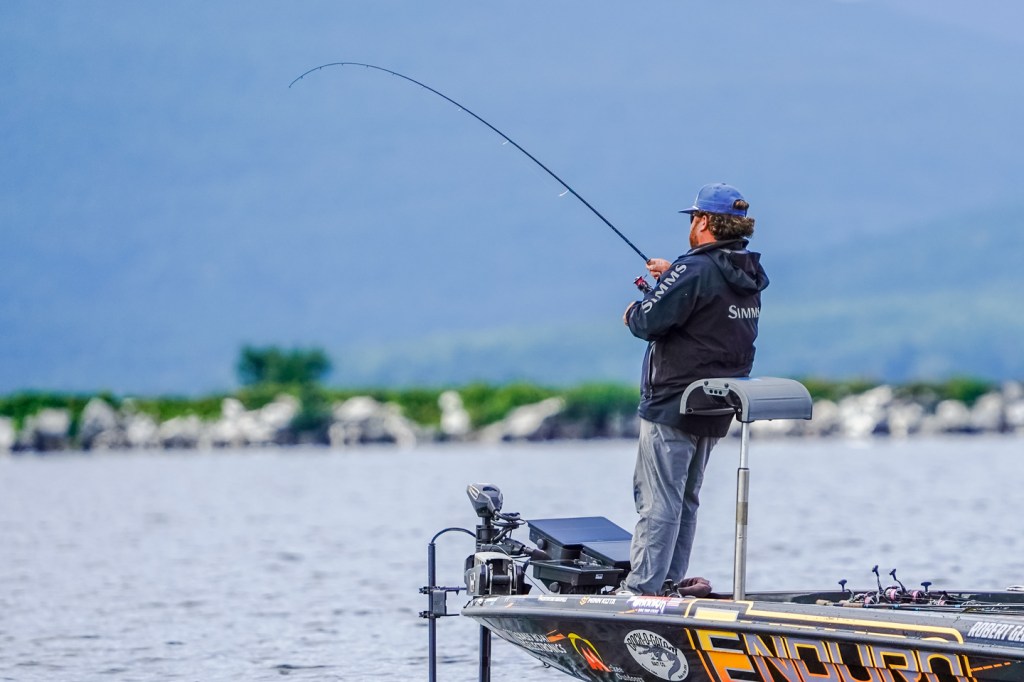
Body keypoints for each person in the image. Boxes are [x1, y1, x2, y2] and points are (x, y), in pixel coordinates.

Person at [620, 182, 768, 596]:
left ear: (703, 221)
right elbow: (709, 306)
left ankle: (642, 590)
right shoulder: (746, 272)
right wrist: (673, 278)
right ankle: (667, 583)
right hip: (714, 405)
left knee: (658, 500)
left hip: (672, 403)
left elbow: (647, 322)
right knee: (685, 499)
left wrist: (634, 311)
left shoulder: (694, 269)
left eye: (693, 218)